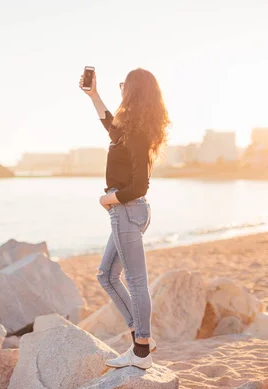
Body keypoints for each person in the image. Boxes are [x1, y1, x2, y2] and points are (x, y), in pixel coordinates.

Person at [79, 68, 169, 369]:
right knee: (105, 276)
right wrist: (94, 95)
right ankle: (140, 335)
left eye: (123, 86)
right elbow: (110, 124)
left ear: (132, 91)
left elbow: (140, 186)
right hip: (129, 211)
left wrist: (109, 199)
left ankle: (141, 351)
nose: (120, 91)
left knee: (135, 280)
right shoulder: (130, 129)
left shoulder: (139, 134)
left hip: (127, 210)